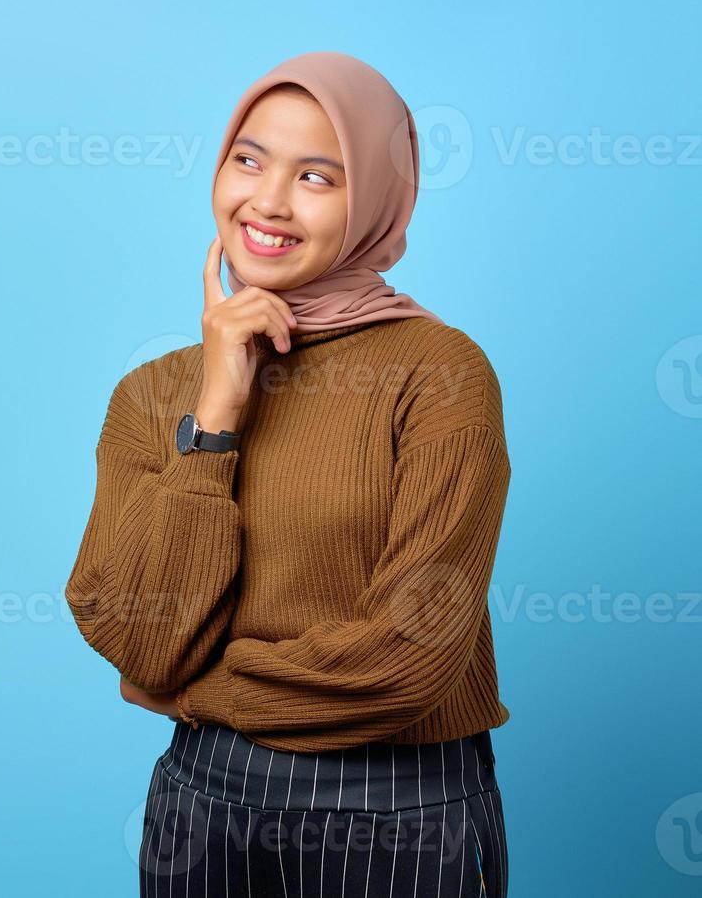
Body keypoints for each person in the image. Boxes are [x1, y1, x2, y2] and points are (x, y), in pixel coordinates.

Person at [63, 51, 511, 897]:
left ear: (376, 198)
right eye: (248, 158)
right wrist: (218, 416)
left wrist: (196, 691)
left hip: (395, 810)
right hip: (201, 807)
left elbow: (411, 657)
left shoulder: (439, 373)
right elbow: (136, 634)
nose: (267, 201)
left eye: (317, 175)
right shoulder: (155, 392)